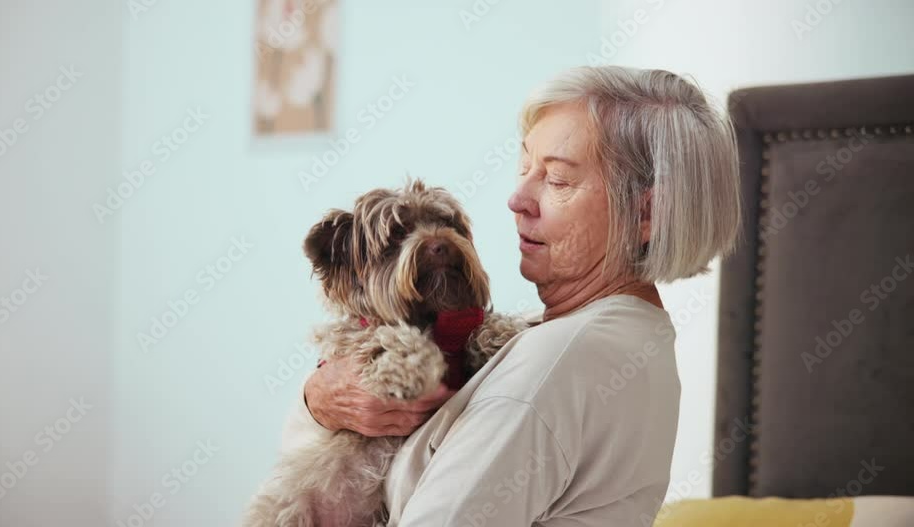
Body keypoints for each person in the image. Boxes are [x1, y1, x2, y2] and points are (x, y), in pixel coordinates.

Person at [285, 65, 741, 526]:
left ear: (646, 215)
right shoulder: (629, 338)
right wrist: (318, 401)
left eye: (558, 180)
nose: (517, 198)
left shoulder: (554, 365)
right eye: (524, 168)